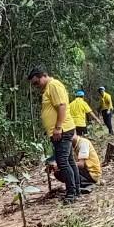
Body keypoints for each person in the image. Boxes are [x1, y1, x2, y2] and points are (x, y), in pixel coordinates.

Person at [28, 66, 82, 203]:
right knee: (69, 161)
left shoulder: (53, 85)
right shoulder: (48, 88)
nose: (36, 86)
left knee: (63, 163)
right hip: (61, 131)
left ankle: (71, 194)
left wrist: (58, 127)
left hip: (62, 131)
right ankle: (76, 190)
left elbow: (62, 106)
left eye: (36, 82)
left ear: (43, 76)